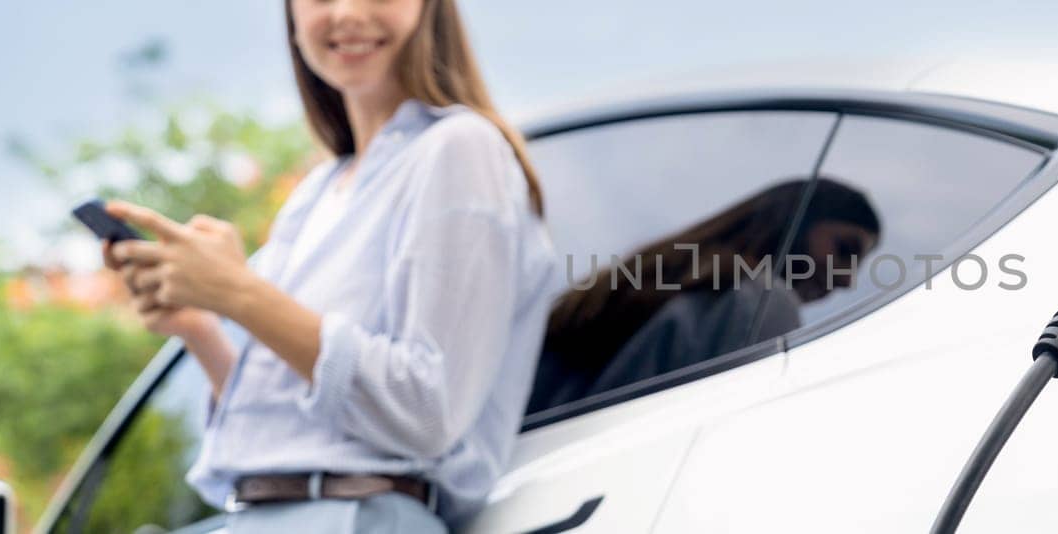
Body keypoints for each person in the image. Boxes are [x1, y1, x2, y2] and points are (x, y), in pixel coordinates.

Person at [101, 0, 555, 531]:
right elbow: (289, 425)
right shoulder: (316, 195)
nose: (346, 12)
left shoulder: (459, 147)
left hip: (360, 516)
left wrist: (240, 294)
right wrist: (200, 328)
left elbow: (428, 410)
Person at [530, 178, 880, 411]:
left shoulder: (620, 292)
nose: (848, 279)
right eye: (845, 249)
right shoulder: (761, 301)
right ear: (794, 222)